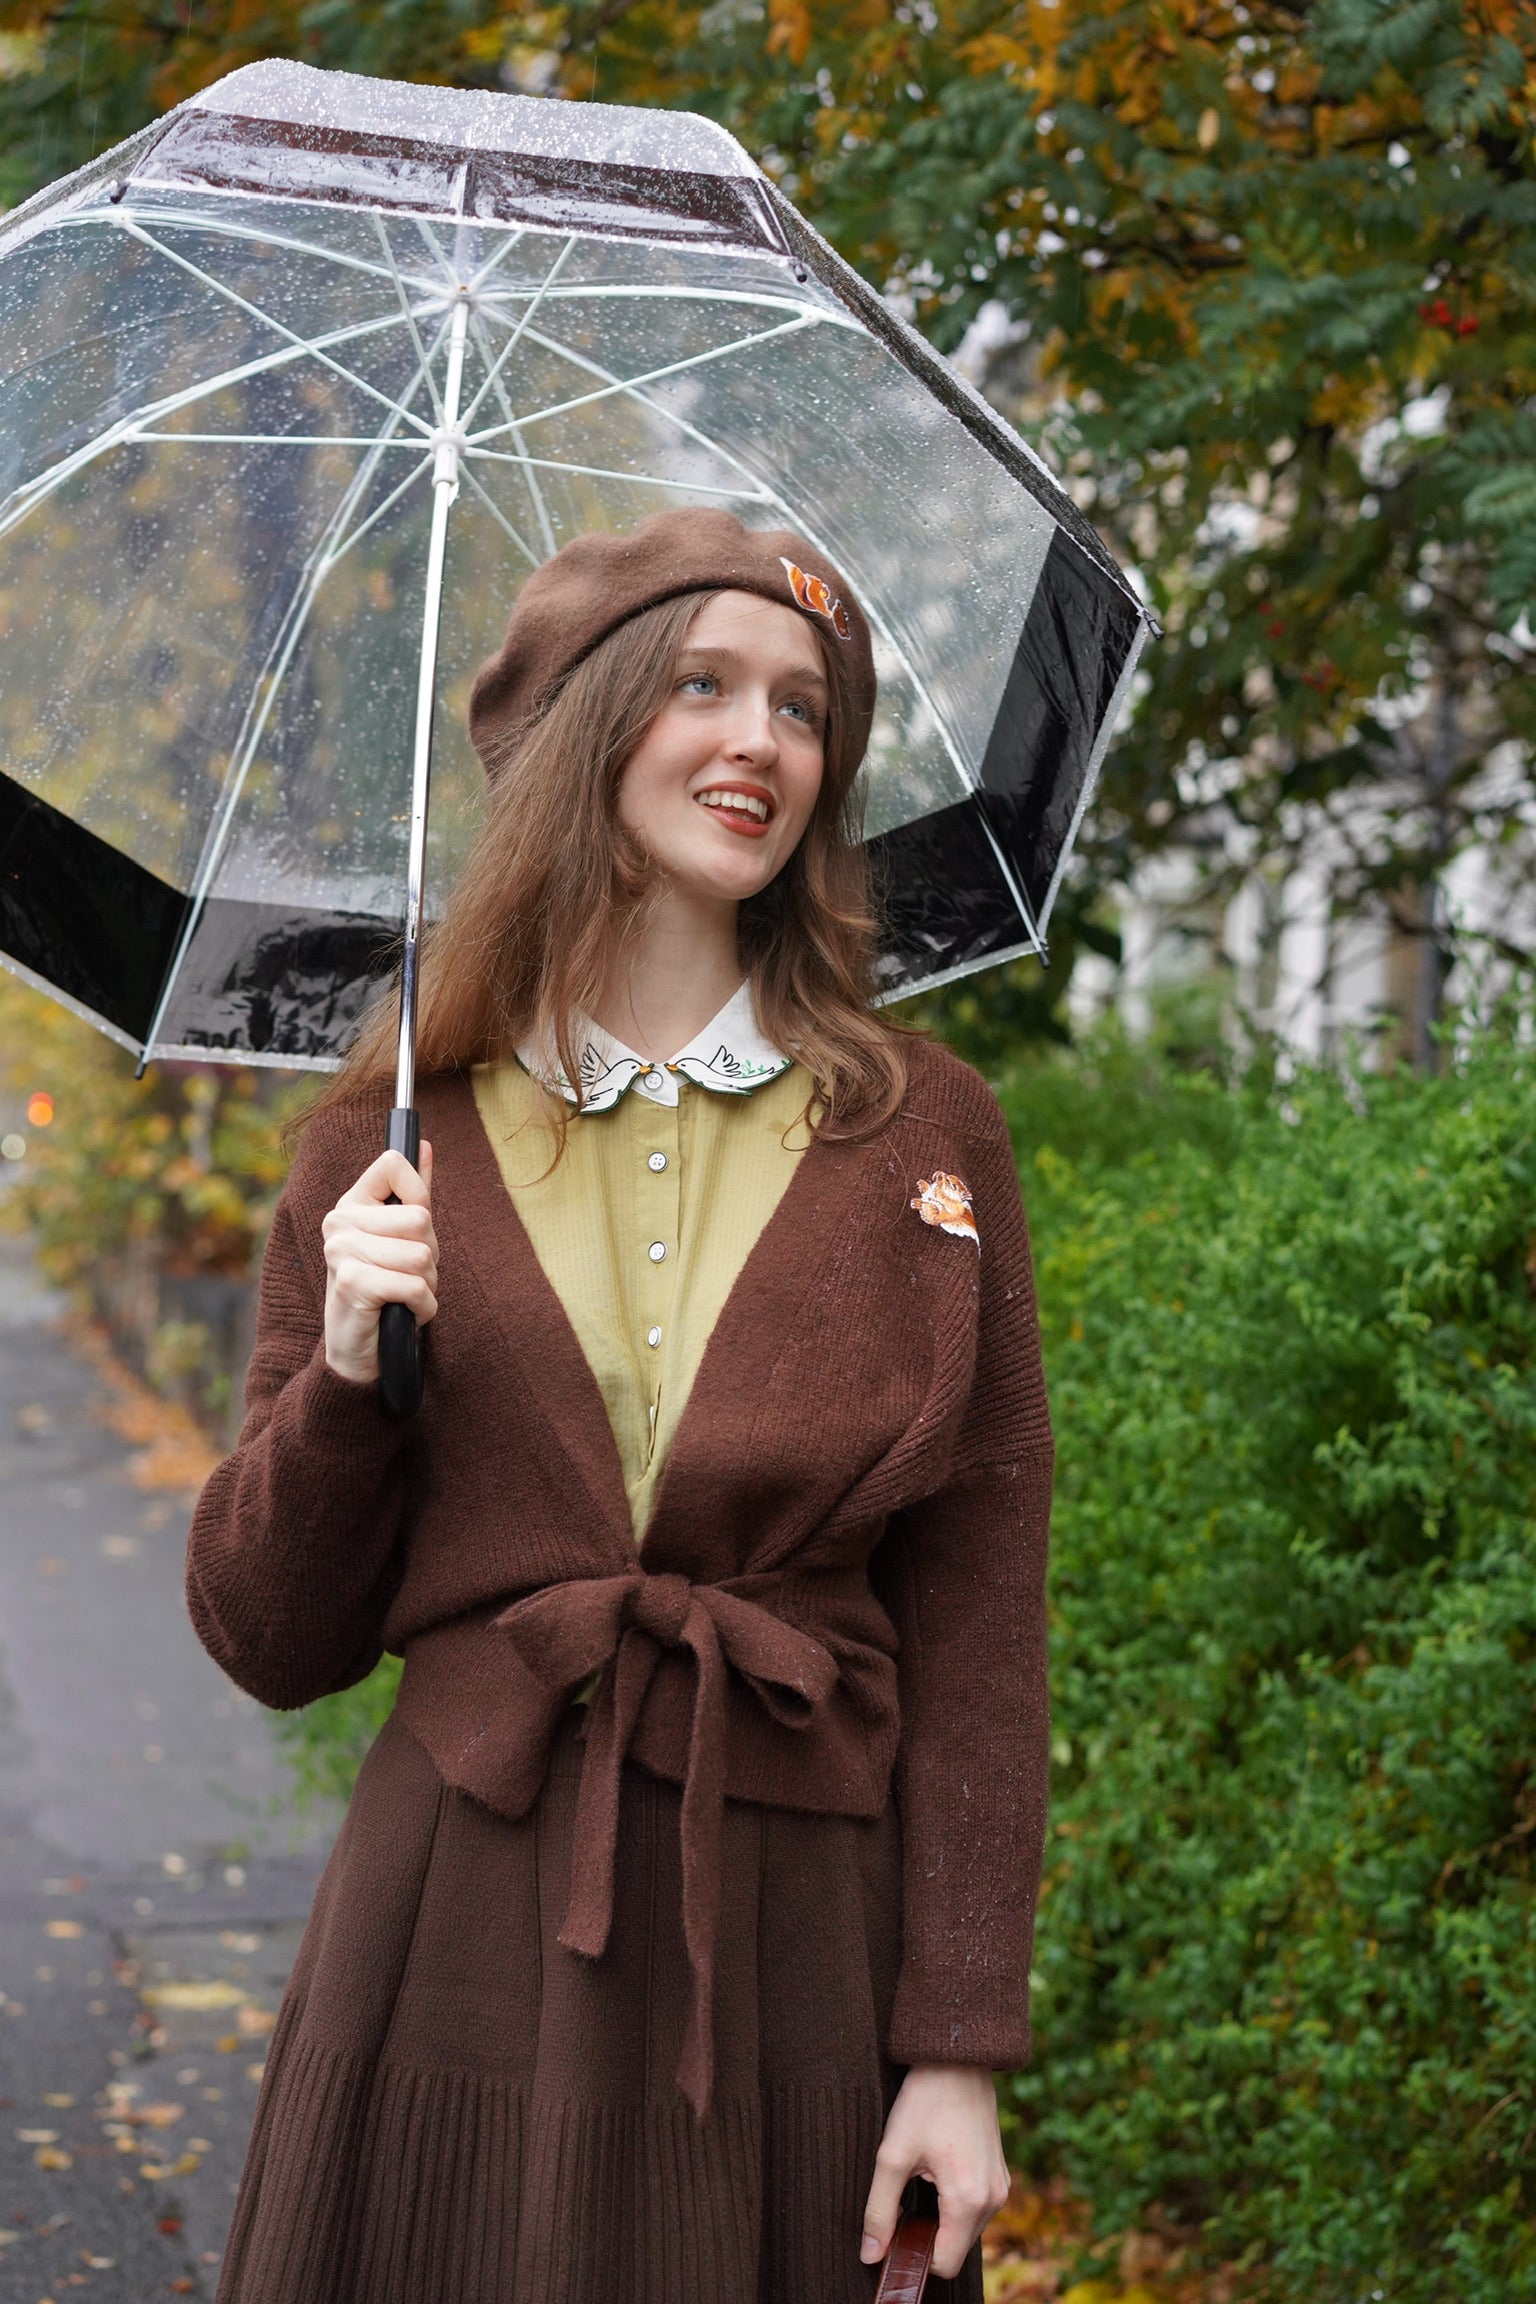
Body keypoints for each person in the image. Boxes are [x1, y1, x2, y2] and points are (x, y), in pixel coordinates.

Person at [186, 509, 1053, 2304]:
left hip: (804, 1928)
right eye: (702, 687)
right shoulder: (383, 1139)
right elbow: (270, 1638)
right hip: (461, 1920)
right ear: (585, 730)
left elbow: (981, 1623)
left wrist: (959, 2046)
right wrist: (350, 1373)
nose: (761, 741)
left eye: (804, 710)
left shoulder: (928, 1136)